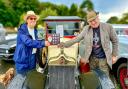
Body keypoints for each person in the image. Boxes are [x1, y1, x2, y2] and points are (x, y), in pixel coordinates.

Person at [58, 10, 118, 78]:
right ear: (88, 22)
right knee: (94, 76)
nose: (93, 22)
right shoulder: (86, 29)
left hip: (103, 59)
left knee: (104, 78)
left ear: (98, 17)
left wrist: (114, 55)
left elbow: (115, 41)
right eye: (90, 21)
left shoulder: (108, 27)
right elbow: (77, 38)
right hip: (92, 59)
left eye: (94, 19)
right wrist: (64, 44)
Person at [7, 10, 50, 89]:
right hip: (22, 60)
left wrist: (46, 41)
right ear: (27, 20)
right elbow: (28, 42)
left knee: (30, 81)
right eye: (31, 18)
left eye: (34, 19)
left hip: (32, 59)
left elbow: (38, 42)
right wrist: (43, 43)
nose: (33, 20)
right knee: (20, 82)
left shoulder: (36, 31)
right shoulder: (22, 31)